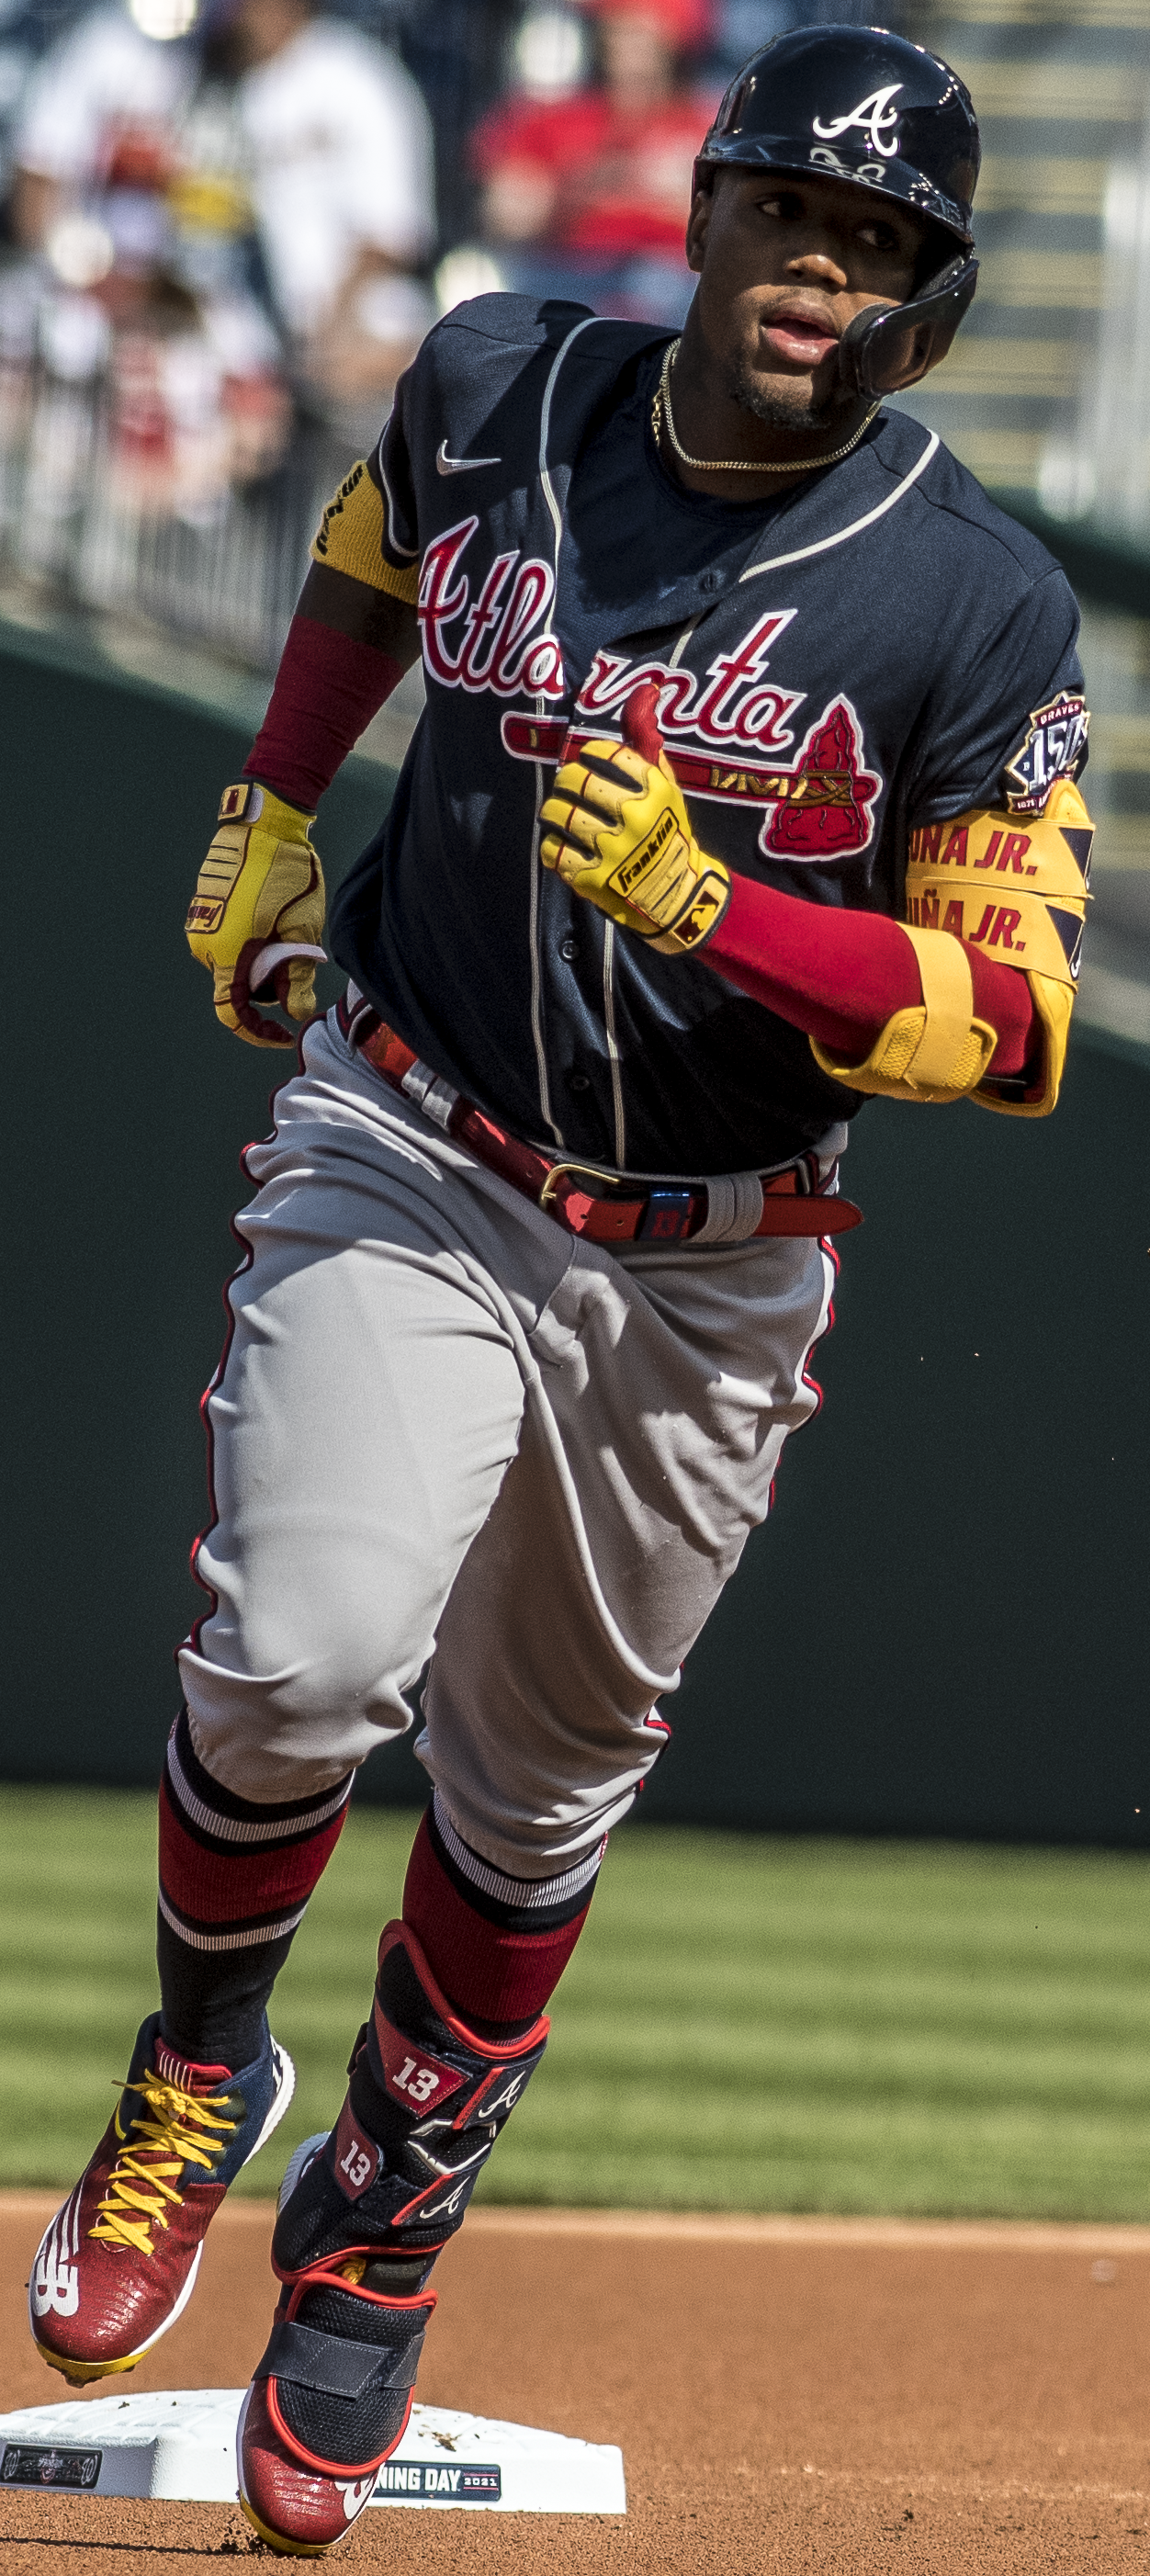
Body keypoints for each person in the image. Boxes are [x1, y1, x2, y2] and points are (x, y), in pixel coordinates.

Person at [28, 25, 1092, 2558]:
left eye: (875, 250)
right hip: (415, 1117)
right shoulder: (504, 375)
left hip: (708, 1257)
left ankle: (385, 2210)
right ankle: (198, 2066)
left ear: (925, 308)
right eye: (788, 220)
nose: (817, 274)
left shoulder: (971, 595)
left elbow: (1022, 1025)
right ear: (702, 223)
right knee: (296, 1658)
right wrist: (272, 802)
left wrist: (724, 907)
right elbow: (380, 553)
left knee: (530, 1797)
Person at [11, 0, 435, 403]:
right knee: (51, 326)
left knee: (401, 331)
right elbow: (39, 175)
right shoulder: (144, 45)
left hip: (283, 314)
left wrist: (330, 328)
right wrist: (86, 271)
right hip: (129, 290)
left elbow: (392, 236)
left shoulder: (360, 80)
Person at [474, 0, 716, 324]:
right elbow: (503, 219)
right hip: (567, 280)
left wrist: (675, 200)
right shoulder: (547, 119)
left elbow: (740, 225)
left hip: (675, 287)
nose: (619, 36)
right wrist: (584, 187)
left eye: (637, 25)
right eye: (612, 23)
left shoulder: (713, 125)